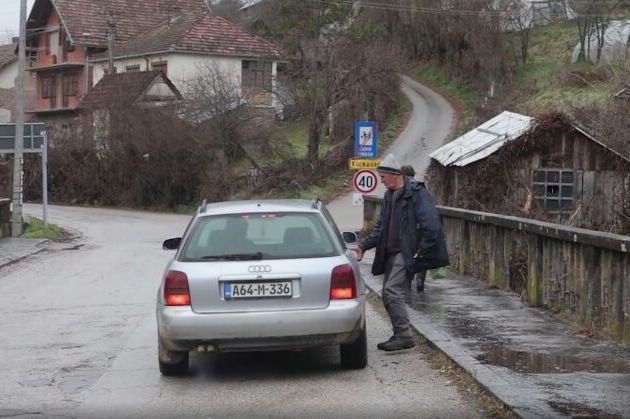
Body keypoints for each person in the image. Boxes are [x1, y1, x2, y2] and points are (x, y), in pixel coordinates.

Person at [354, 154, 449, 351]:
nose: (381, 180)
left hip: (406, 252)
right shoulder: (389, 196)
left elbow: (431, 225)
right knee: (387, 293)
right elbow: (381, 227)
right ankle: (400, 334)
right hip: (390, 252)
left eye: (382, 177)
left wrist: (421, 250)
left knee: (391, 290)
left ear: (393, 174)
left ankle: (404, 335)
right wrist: (363, 245)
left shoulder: (415, 192)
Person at [399, 165, 427, 293]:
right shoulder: (421, 188)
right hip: (421, 228)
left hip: (408, 230)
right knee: (421, 255)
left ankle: (408, 283)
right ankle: (420, 279)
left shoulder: (401, 188)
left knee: (408, 256)